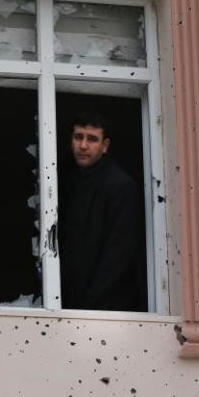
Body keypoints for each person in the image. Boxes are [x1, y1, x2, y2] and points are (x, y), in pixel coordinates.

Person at [59, 113, 146, 311]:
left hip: (106, 307)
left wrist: (88, 304)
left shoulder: (120, 186)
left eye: (92, 139)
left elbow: (118, 256)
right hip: (71, 301)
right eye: (78, 137)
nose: (83, 146)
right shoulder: (67, 179)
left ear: (105, 146)